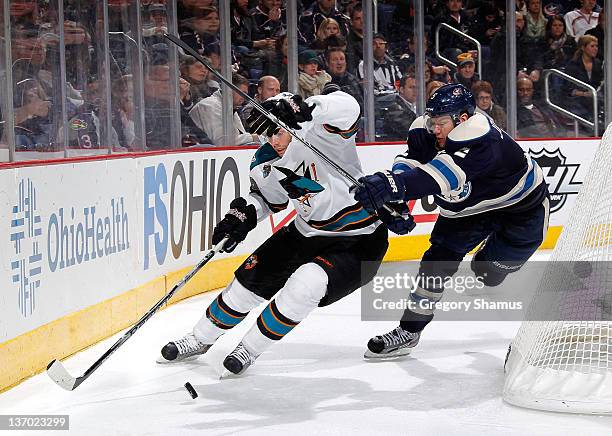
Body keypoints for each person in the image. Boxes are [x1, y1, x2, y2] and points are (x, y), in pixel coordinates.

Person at [158, 89, 390, 375]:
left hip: (359, 241)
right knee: (243, 287)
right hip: (304, 233)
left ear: (292, 122)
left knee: (306, 286)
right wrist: (241, 215)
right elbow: (270, 199)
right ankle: (200, 338)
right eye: (266, 134)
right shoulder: (265, 159)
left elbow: (348, 106)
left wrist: (306, 107)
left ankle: (250, 348)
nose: (272, 141)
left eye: (277, 132)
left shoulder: (323, 134)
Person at [353, 83, 550, 358]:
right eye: (433, 121)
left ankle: (488, 266)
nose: (435, 128)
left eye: (442, 122)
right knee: (435, 263)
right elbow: (412, 163)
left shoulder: (485, 142)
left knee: (488, 273)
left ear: (463, 119)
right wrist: (395, 201)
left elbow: (439, 177)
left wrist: (391, 186)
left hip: (521, 209)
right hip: (467, 211)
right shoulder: (426, 129)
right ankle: (409, 331)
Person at [189, 73, 259, 146]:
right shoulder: (209, 105)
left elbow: (240, 137)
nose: (244, 98)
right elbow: (221, 142)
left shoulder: (230, 107)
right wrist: (253, 137)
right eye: (242, 93)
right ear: (229, 90)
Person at [383, 74, 418, 140]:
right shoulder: (395, 108)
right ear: (401, 89)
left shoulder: (418, 106)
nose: (415, 90)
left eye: (417, 88)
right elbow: (409, 130)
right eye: (411, 87)